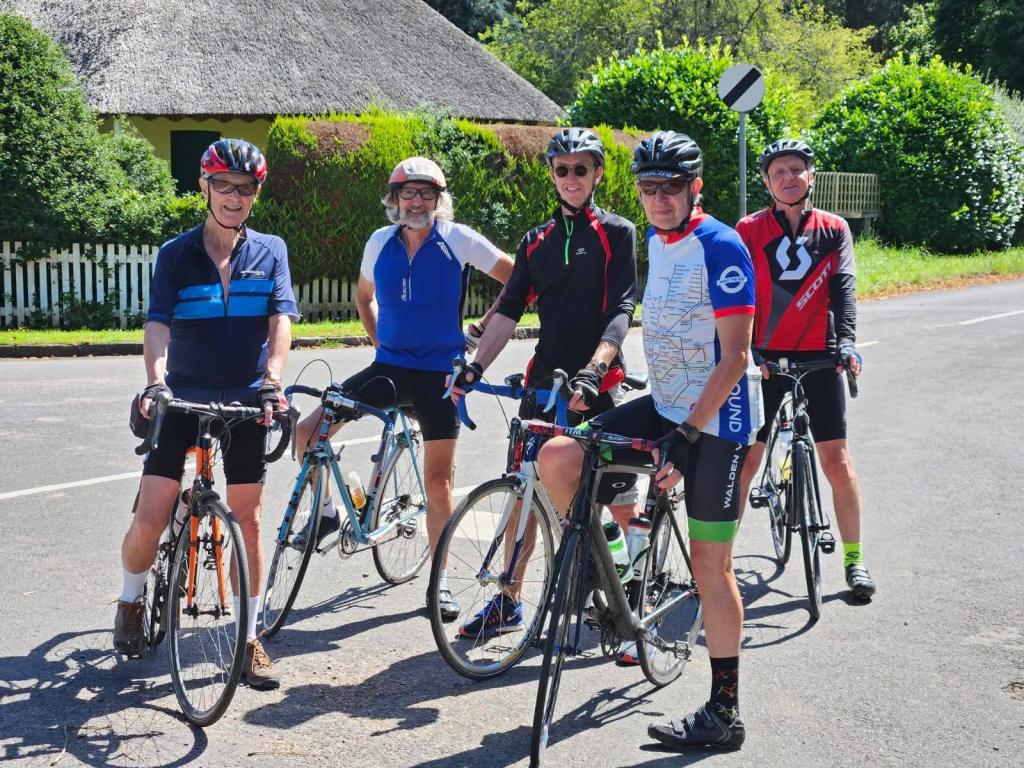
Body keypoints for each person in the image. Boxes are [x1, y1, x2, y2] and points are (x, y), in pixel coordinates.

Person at [537, 131, 761, 751]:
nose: (659, 198)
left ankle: (724, 712)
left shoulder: (722, 246)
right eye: (648, 187)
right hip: (664, 407)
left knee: (712, 568)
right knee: (558, 456)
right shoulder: (658, 243)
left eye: (671, 187)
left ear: (696, 188)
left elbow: (737, 357)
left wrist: (686, 436)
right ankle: (610, 570)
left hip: (719, 421)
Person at [292, 156, 514, 622]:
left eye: (426, 193)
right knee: (308, 432)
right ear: (394, 199)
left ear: (438, 199)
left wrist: (481, 327)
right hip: (388, 368)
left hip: (440, 375)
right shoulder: (379, 242)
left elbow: (516, 279)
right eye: (408, 193)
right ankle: (327, 512)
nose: (417, 202)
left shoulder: (458, 239)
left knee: (438, 483)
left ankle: (440, 582)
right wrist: (381, 345)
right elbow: (364, 297)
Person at [114, 139, 297, 690]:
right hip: (184, 392)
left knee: (249, 518)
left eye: (245, 188)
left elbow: (280, 321)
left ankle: (248, 636)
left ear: (255, 194)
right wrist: (156, 383)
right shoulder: (176, 254)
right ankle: (130, 600)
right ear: (204, 187)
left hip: (245, 395)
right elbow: (157, 324)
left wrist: (273, 381)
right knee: (153, 514)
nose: (234, 198)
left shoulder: (271, 251)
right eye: (223, 186)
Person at [451, 127, 642, 656]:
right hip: (545, 383)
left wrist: (596, 368)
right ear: (553, 176)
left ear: (597, 174)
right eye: (562, 169)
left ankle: (629, 597)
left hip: (597, 383)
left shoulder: (617, 232)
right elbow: (509, 310)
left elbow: (622, 309)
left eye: (581, 168)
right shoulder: (536, 241)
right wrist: (474, 367)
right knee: (525, 490)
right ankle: (509, 598)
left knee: (618, 501)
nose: (571, 178)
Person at [734, 139, 875, 601]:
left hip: (820, 354)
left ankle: (854, 560)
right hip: (764, 359)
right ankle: (717, 564)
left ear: (811, 175)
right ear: (767, 181)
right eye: (779, 172)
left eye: (797, 169)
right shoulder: (749, 229)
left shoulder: (833, 229)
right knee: (747, 460)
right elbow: (738, 294)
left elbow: (844, 288)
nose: (789, 178)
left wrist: (847, 343)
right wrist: (747, 351)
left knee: (837, 460)